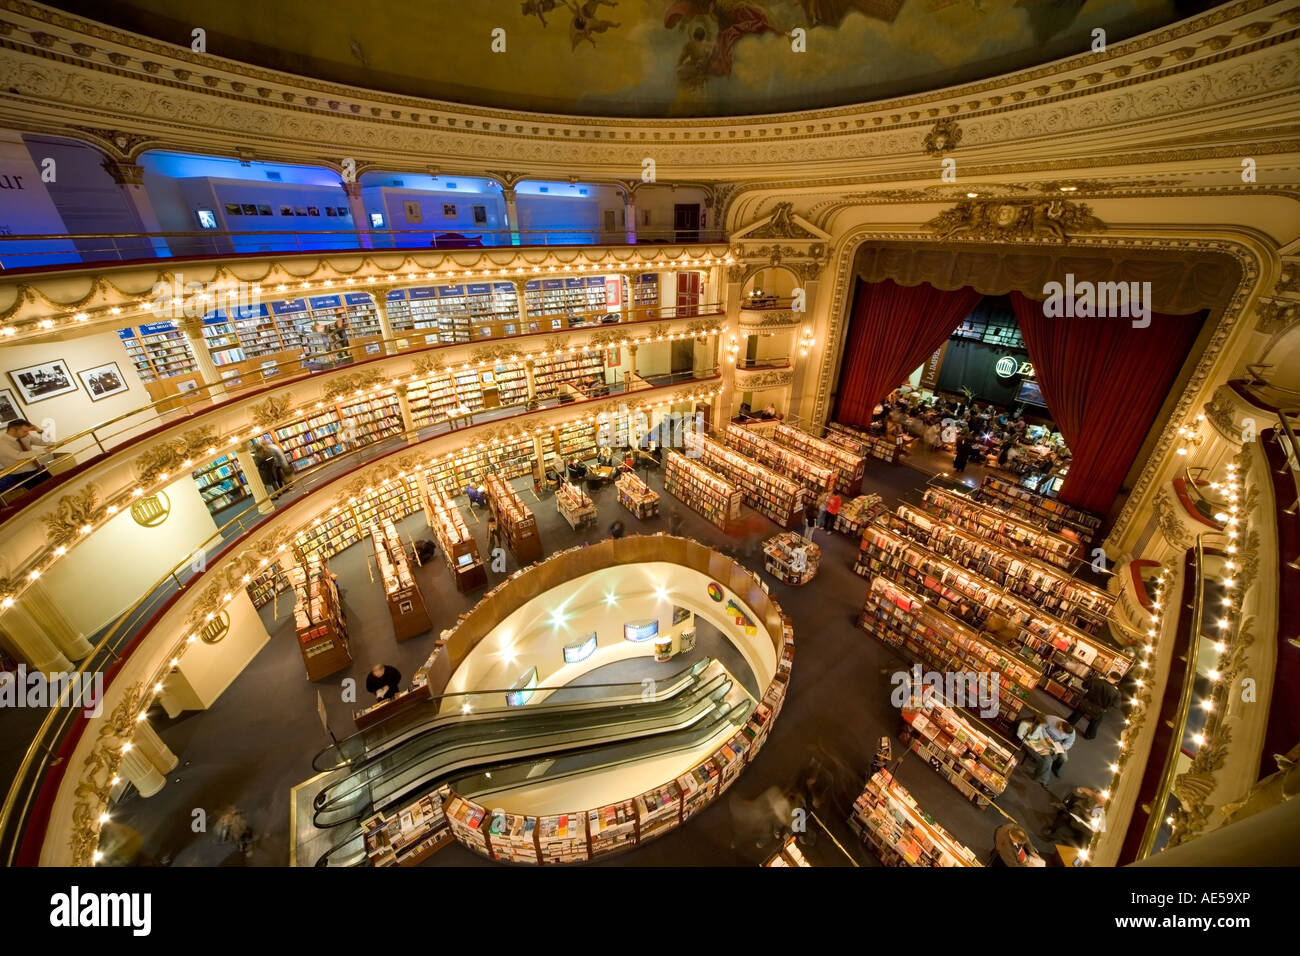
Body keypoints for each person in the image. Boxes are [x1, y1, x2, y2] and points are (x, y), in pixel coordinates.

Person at [0, 419, 54, 494]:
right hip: (23, 475)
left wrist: (39, 431)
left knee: (56, 487)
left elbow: (50, 442)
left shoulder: (25, 436)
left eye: (28, 431)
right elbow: (18, 455)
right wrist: (41, 451)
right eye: (25, 431)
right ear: (12, 430)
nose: (27, 433)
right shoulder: (2, 442)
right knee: (42, 495)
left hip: (38, 468)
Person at [1024, 716, 1076, 786]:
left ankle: (1055, 768)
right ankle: (1042, 778)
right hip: (1044, 738)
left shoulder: (1072, 732)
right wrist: (1047, 737)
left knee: (1064, 758)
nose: (1061, 732)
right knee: (1048, 760)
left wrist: (1062, 747)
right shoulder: (1049, 719)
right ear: (1061, 724)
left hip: (1057, 744)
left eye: (1063, 732)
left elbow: (1069, 743)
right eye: (1061, 730)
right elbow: (1041, 728)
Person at [1069, 672, 1122, 740]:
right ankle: (1089, 735)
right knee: (1096, 721)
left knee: (1078, 713)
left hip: (1086, 703)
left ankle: (1069, 723)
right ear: (1117, 681)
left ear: (1109, 675)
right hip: (1099, 709)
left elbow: (1084, 685)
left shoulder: (1096, 680)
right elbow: (1116, 705)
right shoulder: (1116, 692)